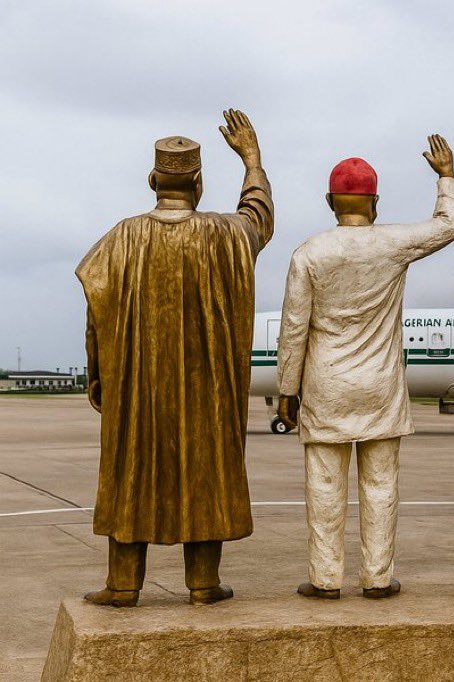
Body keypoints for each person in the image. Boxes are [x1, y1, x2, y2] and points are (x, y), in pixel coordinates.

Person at [76, 110, 272, 606]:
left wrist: (98, 373)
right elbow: (259, 218)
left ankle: (123, 584)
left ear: (152, 181)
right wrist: (251, 160)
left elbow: (96, 312)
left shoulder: (121, 238)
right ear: (200, 184)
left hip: (136, 388)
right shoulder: (225, 235)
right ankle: (203, 583)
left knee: (130, 467)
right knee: (205, 466)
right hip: (205, 390)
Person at [276, 135, 454, 599]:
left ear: (329, 202)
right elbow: (449, 225)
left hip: (325, 385)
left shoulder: (309, 253)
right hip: (379, 386)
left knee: (324, 486)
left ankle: (324, 579)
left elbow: (294, 328)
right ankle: (378, 578)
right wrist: (445, 176)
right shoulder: (393, 244)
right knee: (380, 486)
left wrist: (287, 389)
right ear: (374, 203)